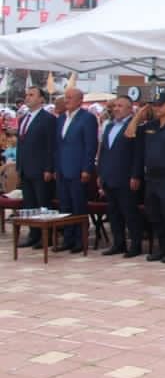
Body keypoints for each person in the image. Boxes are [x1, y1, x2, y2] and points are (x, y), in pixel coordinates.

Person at [128, 92, 165, 263]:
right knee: (154, 214)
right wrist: (139, 114)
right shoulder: (150, 125)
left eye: (160, 105)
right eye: (155, 105)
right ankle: (162, 247)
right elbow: (130, 133)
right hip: (151, 176)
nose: (157, 108)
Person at [54, 88, 98, 253]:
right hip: (62, 169)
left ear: (80, 100)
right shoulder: (61, 118)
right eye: (66, 97)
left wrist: (87, 168)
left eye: (70, 98)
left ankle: (80, 240)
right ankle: (68, 238)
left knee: (78, 206)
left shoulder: (87, 118)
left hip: (78, 169)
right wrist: (56, 167)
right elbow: (58, 145)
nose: (67, 100)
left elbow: (90, 145)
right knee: (65, 205)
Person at [98, 96, 142, 257]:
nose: (116, 109)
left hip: (126, 177)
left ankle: (135, 245)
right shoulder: (109, 126)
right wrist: (100, 173)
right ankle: (118, 243)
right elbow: (104, 152)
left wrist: (135, 175)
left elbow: (138, 154)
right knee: (114, 213)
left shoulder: (134, 126)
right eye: (115, 106)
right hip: (109, 176)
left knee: (129, 213)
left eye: (120, 106)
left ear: (130, 109)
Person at [15, 86, 57, 248]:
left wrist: (49, 168)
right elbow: (21, 145)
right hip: (25, 168)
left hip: (40, 169)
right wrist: (19, 166)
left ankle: (47, 236)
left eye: (32, 95)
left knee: (43, 203)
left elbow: (50, 146)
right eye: (27, 95)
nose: (28, 97)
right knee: (30, 204)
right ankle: (34, 234)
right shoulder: (23, 118)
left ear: (41, 99)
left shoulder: (48, 119)